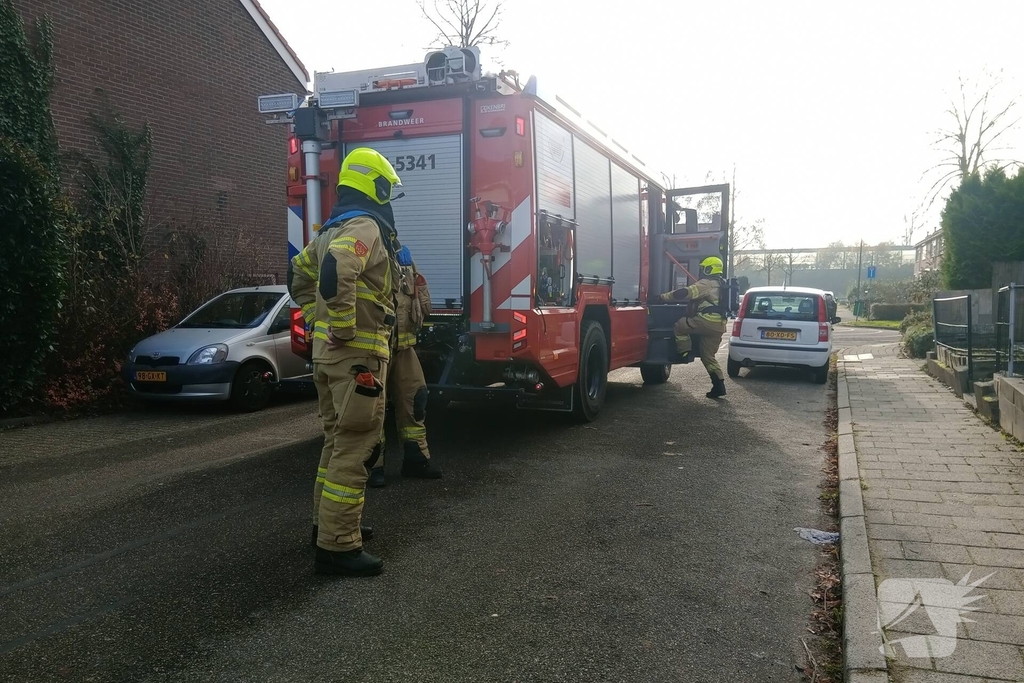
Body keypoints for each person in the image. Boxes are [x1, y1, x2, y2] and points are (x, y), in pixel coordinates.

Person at [287, 147, 402, 577]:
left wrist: (319, 322)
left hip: (329, 359)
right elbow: (336, 271)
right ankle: (337, 547)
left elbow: (297, 274)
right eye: (387, 188)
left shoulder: (328, 230)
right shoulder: (365, 225)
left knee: (336, 442)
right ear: (374, 186)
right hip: (357, 358)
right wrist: (346, 328)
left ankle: (326, 527)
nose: (389, 197)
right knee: (359, 446)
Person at [369, 246, 442, 487]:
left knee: (415, 401)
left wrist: (415, 278)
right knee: (372, 410)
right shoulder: (365, 255)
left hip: (404, 347)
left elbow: (422, 301)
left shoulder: (403, 258)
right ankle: (372, 467)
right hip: (373, 348)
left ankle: (416, 460)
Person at [657, 256, 728, 399]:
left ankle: (683, 352)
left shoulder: (706, 284)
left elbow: (685, 293)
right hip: (719, 325)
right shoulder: (723, 284)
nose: (701, 271)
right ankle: (719, 385)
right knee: (708, 356)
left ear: (709, 269)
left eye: (703, 268)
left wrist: (663, 297)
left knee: (680, 326)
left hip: (706, 321)